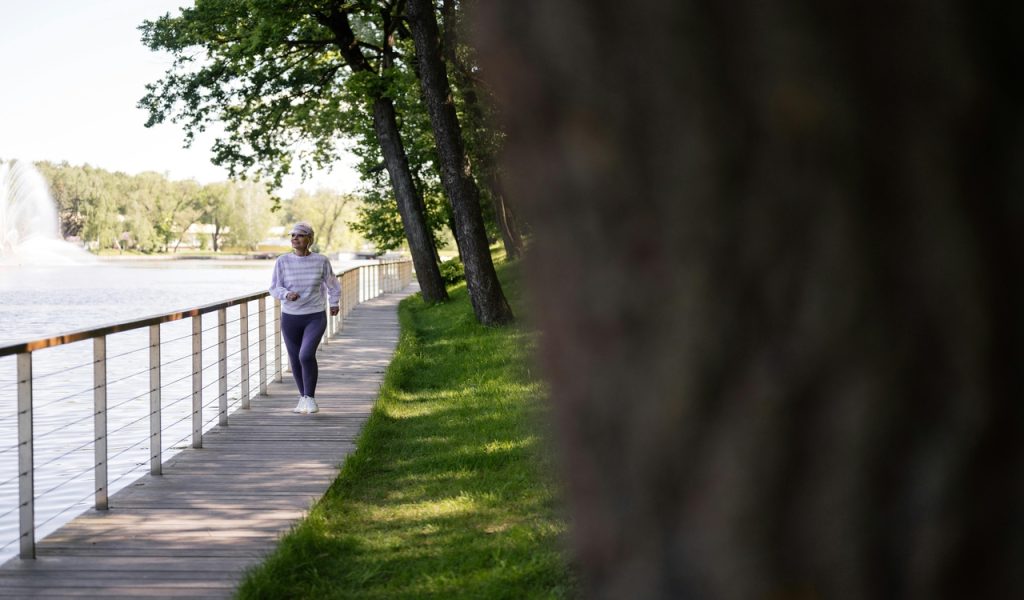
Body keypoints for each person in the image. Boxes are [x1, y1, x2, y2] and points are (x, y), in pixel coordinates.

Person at [269, 222, 341, 414]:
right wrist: (286, 294)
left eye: (300, 235)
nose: (295, 238)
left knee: (306, 355)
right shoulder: (282, 261)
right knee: (294, 359)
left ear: (309, 239)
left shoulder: (321, 261)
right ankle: (304, 398)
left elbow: (333, 284)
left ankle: (310, 397)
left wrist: (334, 303)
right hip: (290, 317)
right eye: (292, 235)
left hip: (314, 316)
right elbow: (274, 287)